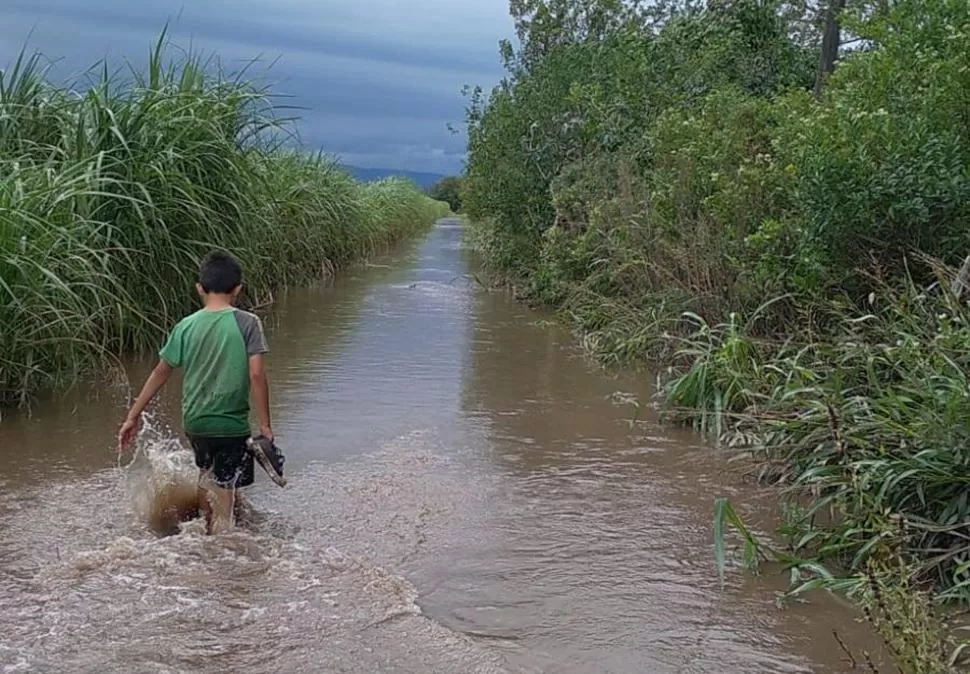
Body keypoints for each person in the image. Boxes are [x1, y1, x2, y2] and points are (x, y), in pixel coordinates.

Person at [117, 250, 280, 534]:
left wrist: (133, 416)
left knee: (208, 476)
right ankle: (220, 550)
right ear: (238, 288)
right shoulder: (247, 323)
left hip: (195, 423)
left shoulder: (185, 326)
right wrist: (265, 424)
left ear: (199, 288)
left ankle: (202, 528)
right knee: (225, 491)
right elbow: (256, 374)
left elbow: (160, 373)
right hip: (230, 424)